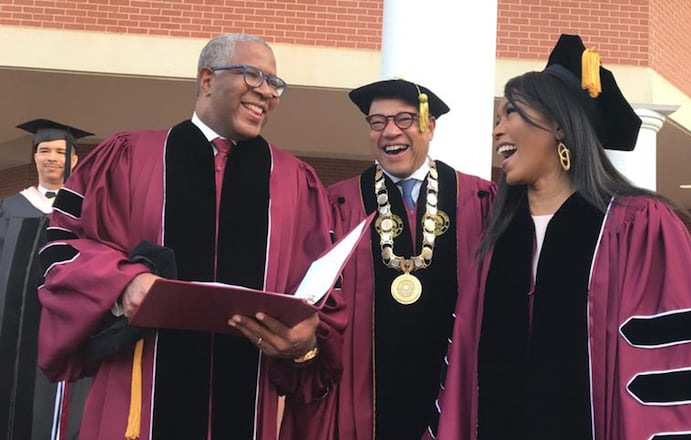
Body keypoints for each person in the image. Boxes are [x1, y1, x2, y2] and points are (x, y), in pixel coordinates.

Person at [36, 33, 345, 440]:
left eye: (274, 84)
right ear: (206, 80)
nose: (267, 92)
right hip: (139, 403)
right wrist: (121, 282)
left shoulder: (295, 181)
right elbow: (62, 245)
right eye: (253, 77)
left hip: (247, 405)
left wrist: (307, 338)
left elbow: (325, 289)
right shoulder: (128, 157)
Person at [472, 34, 691, 439]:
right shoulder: (498, 233)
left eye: (510, 113)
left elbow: (675, 372)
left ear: (559, 125)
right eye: (496, 119)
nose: (497, 130)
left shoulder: (639, 227)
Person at [279, 79, 495, 440]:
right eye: (377, 122)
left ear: (429, 125)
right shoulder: (337, 204)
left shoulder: (478, 199)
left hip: (453, 387)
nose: (390, 131)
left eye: (405, 119)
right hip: (362, 392)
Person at [0, 118, 92, 440]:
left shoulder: (87, 211)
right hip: (12, 321)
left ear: (74, 160)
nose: (51, 157)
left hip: (64, 320)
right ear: (35, 157)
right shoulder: (10, 207)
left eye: (59, 151)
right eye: (44, 151)